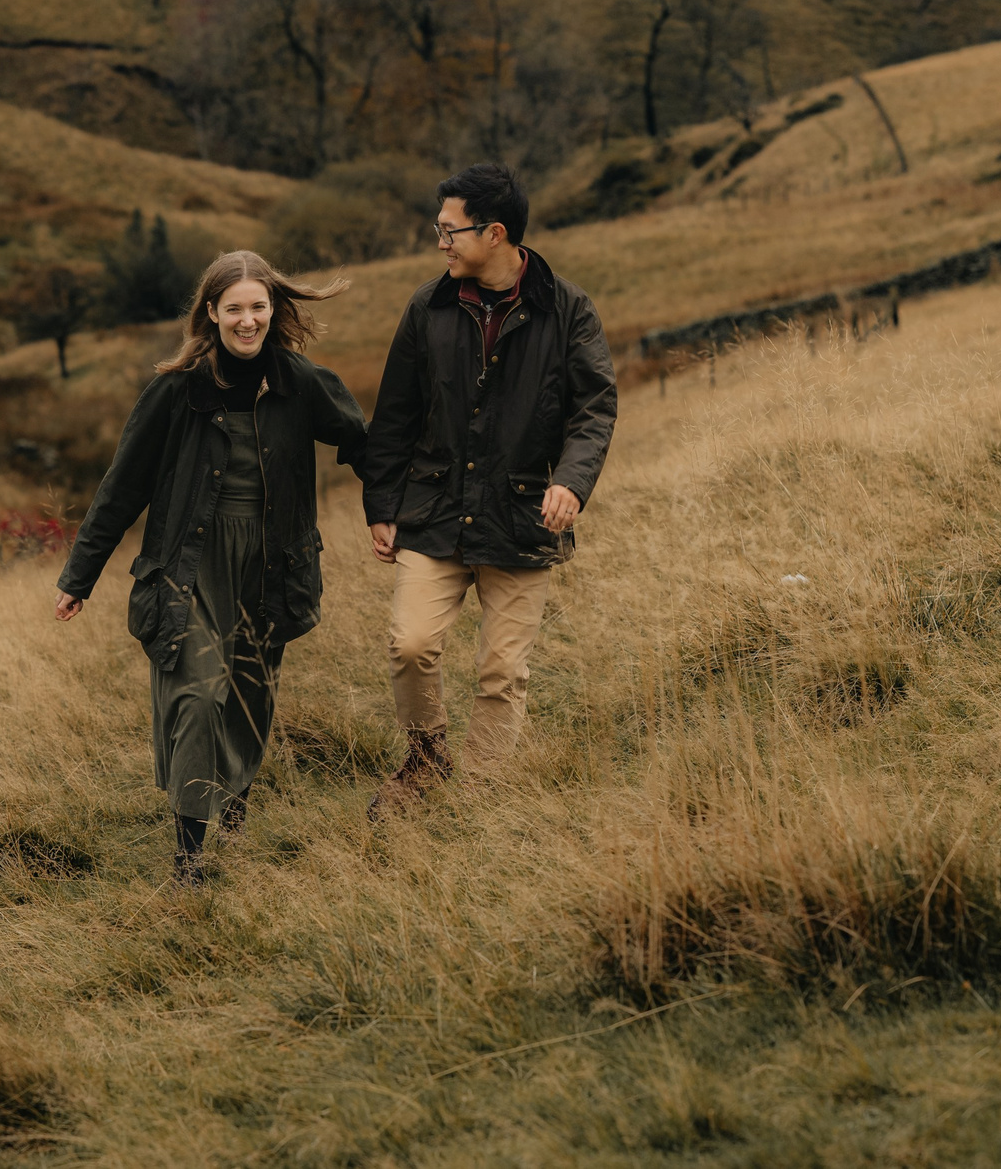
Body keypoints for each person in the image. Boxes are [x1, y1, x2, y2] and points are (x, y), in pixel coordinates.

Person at [53, 250, 369, 883]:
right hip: (190, 565)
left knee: (248, 695)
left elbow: (364, 441)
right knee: (197, 693)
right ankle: (190, 855)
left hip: (273, 562)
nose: (247, 321)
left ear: (273, 310)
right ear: (211, 313)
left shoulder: (299, 382)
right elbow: (122, 488)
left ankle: (233, 813)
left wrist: (386, 511)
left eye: (258, 307)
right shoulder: (176, 391)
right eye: (234, 309)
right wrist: (78, 578)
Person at [360, 163, 616, 817]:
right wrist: (381, 506)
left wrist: (573, 483)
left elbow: (594, 410)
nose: (440, 242)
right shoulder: (427, 307)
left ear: (494, 233)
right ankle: (426, 758)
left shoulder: (569, 310)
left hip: (524, 518)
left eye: (450, 231)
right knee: (411, 645)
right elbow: (394, 417)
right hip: (435, 509)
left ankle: (478, 797)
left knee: (503, 672)